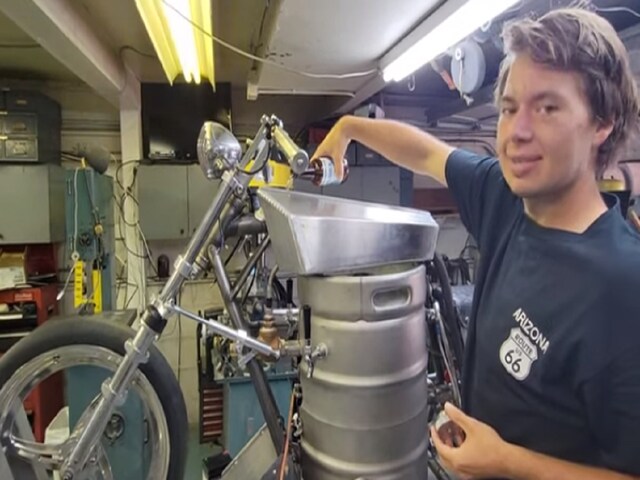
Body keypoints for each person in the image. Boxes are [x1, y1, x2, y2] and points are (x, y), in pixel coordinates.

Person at [312, 6, 640, 480]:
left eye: (547, 108)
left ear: (602, 123)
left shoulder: (623, 286)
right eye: (509, 108)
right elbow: (427, 153)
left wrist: (505, 460)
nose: (516, 132)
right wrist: (348, 129)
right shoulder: (503, 197)